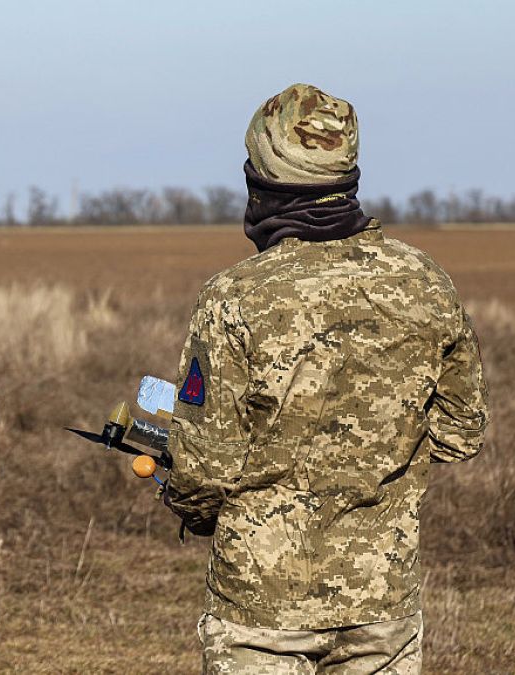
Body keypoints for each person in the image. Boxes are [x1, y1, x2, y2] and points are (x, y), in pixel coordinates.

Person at [163, 83, 489, 674]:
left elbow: (201, 469)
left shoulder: (235, 298)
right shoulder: (425, 282)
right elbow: (462, 431)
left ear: (259, 184)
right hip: (382, 604)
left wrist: (188, 501)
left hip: (261, 612)